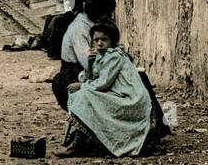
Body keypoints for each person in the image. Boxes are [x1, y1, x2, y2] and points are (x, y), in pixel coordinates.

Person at [56, 20, 153, 157]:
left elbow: (103, 83)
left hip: (129, 98)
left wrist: (82, 86)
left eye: (104, 39)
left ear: (112, 41)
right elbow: (89, 78)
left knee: (85, 94)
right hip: (115, 94)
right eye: (96, 40)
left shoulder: (115, 56)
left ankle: (81, 141)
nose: (100, 43)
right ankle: (83, 137)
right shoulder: (101, 55)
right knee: (83, 93)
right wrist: (89, 63)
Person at [50, 0, 115, 110]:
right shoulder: (79, 29)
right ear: (100, 12)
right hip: (75, 74)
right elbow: (88, 63)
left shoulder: (93, 25)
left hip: (94, 70)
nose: (110, 16)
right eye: (108, 13)